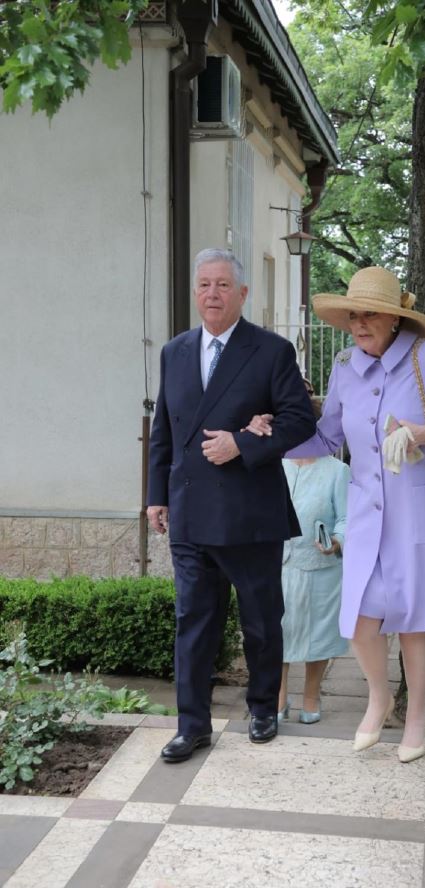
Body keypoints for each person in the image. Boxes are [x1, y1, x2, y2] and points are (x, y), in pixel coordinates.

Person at [246, 266, 425, 762]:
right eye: (353, 316)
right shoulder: (344, 367)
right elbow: (327, 437)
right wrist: (272, 438)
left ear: (394, 319)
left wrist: (424, 433)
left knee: (416, 620)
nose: (359, 324)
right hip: (367, 518)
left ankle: (417, 715)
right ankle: (379, 696)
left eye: (369, 315)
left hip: (420, 513)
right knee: (360, 619)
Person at [147, 248, 316, 761]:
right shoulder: (174, 351)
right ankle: (192, 725)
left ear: (242, 293)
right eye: (204, 285)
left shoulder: (271, 350)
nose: (212, 294)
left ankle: (263, 708)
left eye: (222, 285)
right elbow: (164, 430)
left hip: (250, 512)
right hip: (189, 509)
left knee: (261, 621)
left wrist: (241, 443)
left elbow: (299, 419)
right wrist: (156, 496)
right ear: (194, 292)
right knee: (193, 623)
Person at [279, 383, 350, 724]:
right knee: (276, 630)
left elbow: (348, 518)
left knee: (319, 633)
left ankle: (311, 694)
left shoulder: (337, 471)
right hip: (278, 565)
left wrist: (337, 540)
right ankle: (278, 696)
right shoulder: (275, 466)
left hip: (321, 567)